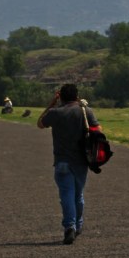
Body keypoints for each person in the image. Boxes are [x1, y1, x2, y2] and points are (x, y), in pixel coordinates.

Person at [37, 83, 100, 245]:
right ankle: (77, 225)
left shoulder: (55, 113)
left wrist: (51, 103)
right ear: (77, 96)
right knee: (78, 195)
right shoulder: (85, 111)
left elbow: (40, 123)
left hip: (62, 160)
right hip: (81, 160)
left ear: (61, 97)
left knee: (66, 194)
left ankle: (69, 226)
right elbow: (98, 130)